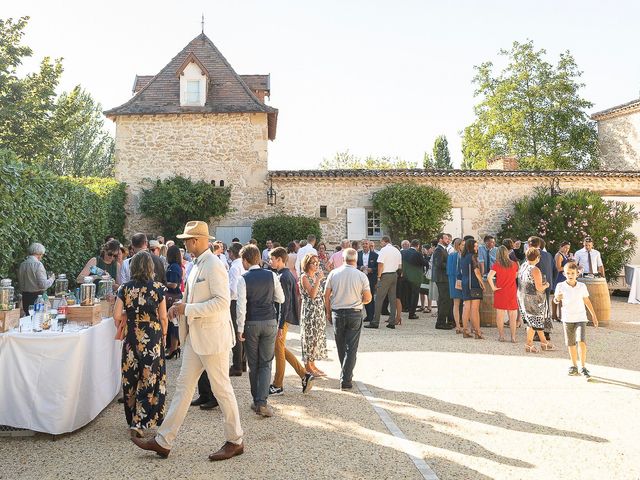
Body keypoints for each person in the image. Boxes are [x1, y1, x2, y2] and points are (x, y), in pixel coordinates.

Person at [131, 221, 243, 461]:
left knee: (222, 389)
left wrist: (186, 308)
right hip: (196, 336)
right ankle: (164, 441)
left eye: (187, 240)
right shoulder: (196, 265)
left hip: (212, 338)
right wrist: (179, 306)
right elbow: (192, 296)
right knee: (183, 388)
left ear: (197, 240)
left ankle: (236, 440)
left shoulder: (213, 265)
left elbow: (222, 302)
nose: (184, 244)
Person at [113, 251, 168, 438]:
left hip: (131, 338)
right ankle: (140, 421)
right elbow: (163, 317)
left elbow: (116, 315)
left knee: (130, 378)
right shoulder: (158, 288)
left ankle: (132, 419)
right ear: (151, 267)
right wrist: (165, 334)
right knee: (149, 378)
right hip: (152, 338)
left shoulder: (124, 288)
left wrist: (127, 319)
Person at [235, 244, 284, 417]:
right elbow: (281, 298)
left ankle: (257, 400)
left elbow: (241, 306)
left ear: (245, 260)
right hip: (269, 321)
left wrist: (239, 328)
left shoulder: (243, 278)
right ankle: (262, 402)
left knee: (253, 363)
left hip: (252, 322)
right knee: (266, 362)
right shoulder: (271, 275)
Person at [269, 247, 315, 396]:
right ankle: (304, 375)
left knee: (279, 350)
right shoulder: (283, 275)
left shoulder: (283, 277)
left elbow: (284, 303)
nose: (270, 261)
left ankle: (278, 385)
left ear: (280, 260)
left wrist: (280, 325)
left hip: (283, 319)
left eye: (272, 259)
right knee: (280, 349)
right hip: (283, 318)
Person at [324, 248, 372, 390]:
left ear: (343, 259)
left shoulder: (334, 273)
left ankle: (345, 373)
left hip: (338, 312)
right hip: (354, 312)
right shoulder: (361, 275)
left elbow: (326, 295)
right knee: (351, 347)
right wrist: (360, 301)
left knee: (340, 345)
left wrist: (328, 312)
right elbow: (368, 297)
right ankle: (346, 377)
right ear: (356, 260)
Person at [553, 262, 598, 378]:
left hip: (581, 318)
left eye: (572, 273)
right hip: (567, 318)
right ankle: (574, 366)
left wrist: (593, 315)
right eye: (568, 273)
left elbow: (586, 300)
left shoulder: (582, 286)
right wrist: (557, 299)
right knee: (571, 343)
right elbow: (555, 301)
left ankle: (583, 366)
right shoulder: (560, 286)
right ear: (564, 274)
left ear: (577, 274)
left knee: (581, 341)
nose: (570, 275)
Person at [518, 248, 555, 353]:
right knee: (533, 322)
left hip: (522, 296)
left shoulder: (523, 266)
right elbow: (539, 287)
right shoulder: (535, 269)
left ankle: (544, 343)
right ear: (538, 257)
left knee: (535, 321)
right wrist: (547, 285)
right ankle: (529, 344)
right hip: (533, 299)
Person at [299, 252, 328, 376]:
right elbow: (312, 294)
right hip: (310, 312)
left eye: (318, 263)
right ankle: (307, 366)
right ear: (307, 264)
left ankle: (313, 364)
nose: (316, 265)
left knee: (316, 338)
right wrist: (318, 280)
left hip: (318, 310)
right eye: (313, 263)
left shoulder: (316, 276)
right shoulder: (304, 277)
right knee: (309, 338)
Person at [366, 236, 402, 329]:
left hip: (385, 275)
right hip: (394, 274)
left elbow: (380, 264)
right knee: (392, 299)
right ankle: (392, 322)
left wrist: (378, 277)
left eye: (381, 242)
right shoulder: (396, 250)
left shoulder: (383, 250)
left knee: (379, 299)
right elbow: (399, 266)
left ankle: (375, 322)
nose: (380, 244)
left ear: (384, 241)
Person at [487, 246, 519, 342]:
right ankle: (513, 337)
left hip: (500, 291)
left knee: (500, 316)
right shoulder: (514, 264)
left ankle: (501, 336)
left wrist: (493, 287)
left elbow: (489, 277)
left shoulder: (497, 265)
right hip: (512, 291)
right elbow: (516, 276)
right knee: (512, 316)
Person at [457, 238, 485, 339]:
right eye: (475, 246)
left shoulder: (463, 256)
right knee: (475, 309)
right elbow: (477, 271)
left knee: (466, 308)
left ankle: (465, 330)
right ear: (471, 246)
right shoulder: (473, 256)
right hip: (473, 283)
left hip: (465, 283)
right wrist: (482, 283)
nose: (477, 248)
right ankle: (477, 332)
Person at [17, 243, 55, 313]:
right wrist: (52, 278)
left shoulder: (22, 264)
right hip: (37, 298)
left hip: (25, 297)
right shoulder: (38, 264)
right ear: (39, 253)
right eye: (42, 254)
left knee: (27, 319)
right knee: (38, 320)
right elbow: (43, 285)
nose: (42, 257)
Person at [164, 245, 183, 359]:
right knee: (173, 324)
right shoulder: (174, 266)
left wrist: (162, 283)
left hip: (173, 297)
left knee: (173, 324)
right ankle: (174, 348)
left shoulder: (174, 267)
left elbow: (174, 284)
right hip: (173, 297)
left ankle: (173, 349)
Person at [432, 233, 454, 329]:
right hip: (442, 278)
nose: (448, 240)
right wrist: (451, 265)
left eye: (448, 239)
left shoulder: (442, 249)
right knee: (445, 300)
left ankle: (444, 321)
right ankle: (440, 323)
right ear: (440, 240)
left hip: (444, 278)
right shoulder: (438, 250)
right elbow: (439, 264)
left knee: (444, 300)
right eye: (446, 238)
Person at [402, 239, 427, 320]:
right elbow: (425, 263)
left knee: (408, 294)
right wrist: (425, 255)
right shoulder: (418, 254)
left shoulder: (404, 252)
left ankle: (408, 308)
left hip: (406, 276)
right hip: (416, 278)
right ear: (418, 245)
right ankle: (412, 314)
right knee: (415, 295)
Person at [357, 240, 378, 323]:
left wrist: (372, 269)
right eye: (363, 244)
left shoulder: (375, 255)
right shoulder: (358, 254)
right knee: (362, 297)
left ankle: (371, 316)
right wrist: (360, 267)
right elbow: (355, 265)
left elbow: (378, 267)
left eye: (366, 244)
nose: (365, 245)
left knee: (370, 296)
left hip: (371, 278)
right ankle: (368, 315)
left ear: (369, 245)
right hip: (360, 278)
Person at [446, 238, 464, 333]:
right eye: (462, 245)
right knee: (458, 304)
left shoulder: (451, 255)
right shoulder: (456, 255)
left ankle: (459, 325)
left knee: (457, 304)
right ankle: (458, 325)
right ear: (458, 246)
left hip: (454, 280)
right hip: (458, 280)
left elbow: (448, 270)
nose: (464, 247)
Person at [553, 241, 572, 321]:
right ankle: (554, 315)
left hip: (563, 277)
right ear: (561, 246)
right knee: (557, 296)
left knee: (563, 297)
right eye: (565, 247)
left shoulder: (565, 255)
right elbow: (558, 268)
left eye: (568, 248)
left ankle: (561, 316)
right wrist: (568, 266)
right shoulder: (559, 255)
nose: (567, 249)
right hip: (559, 277)